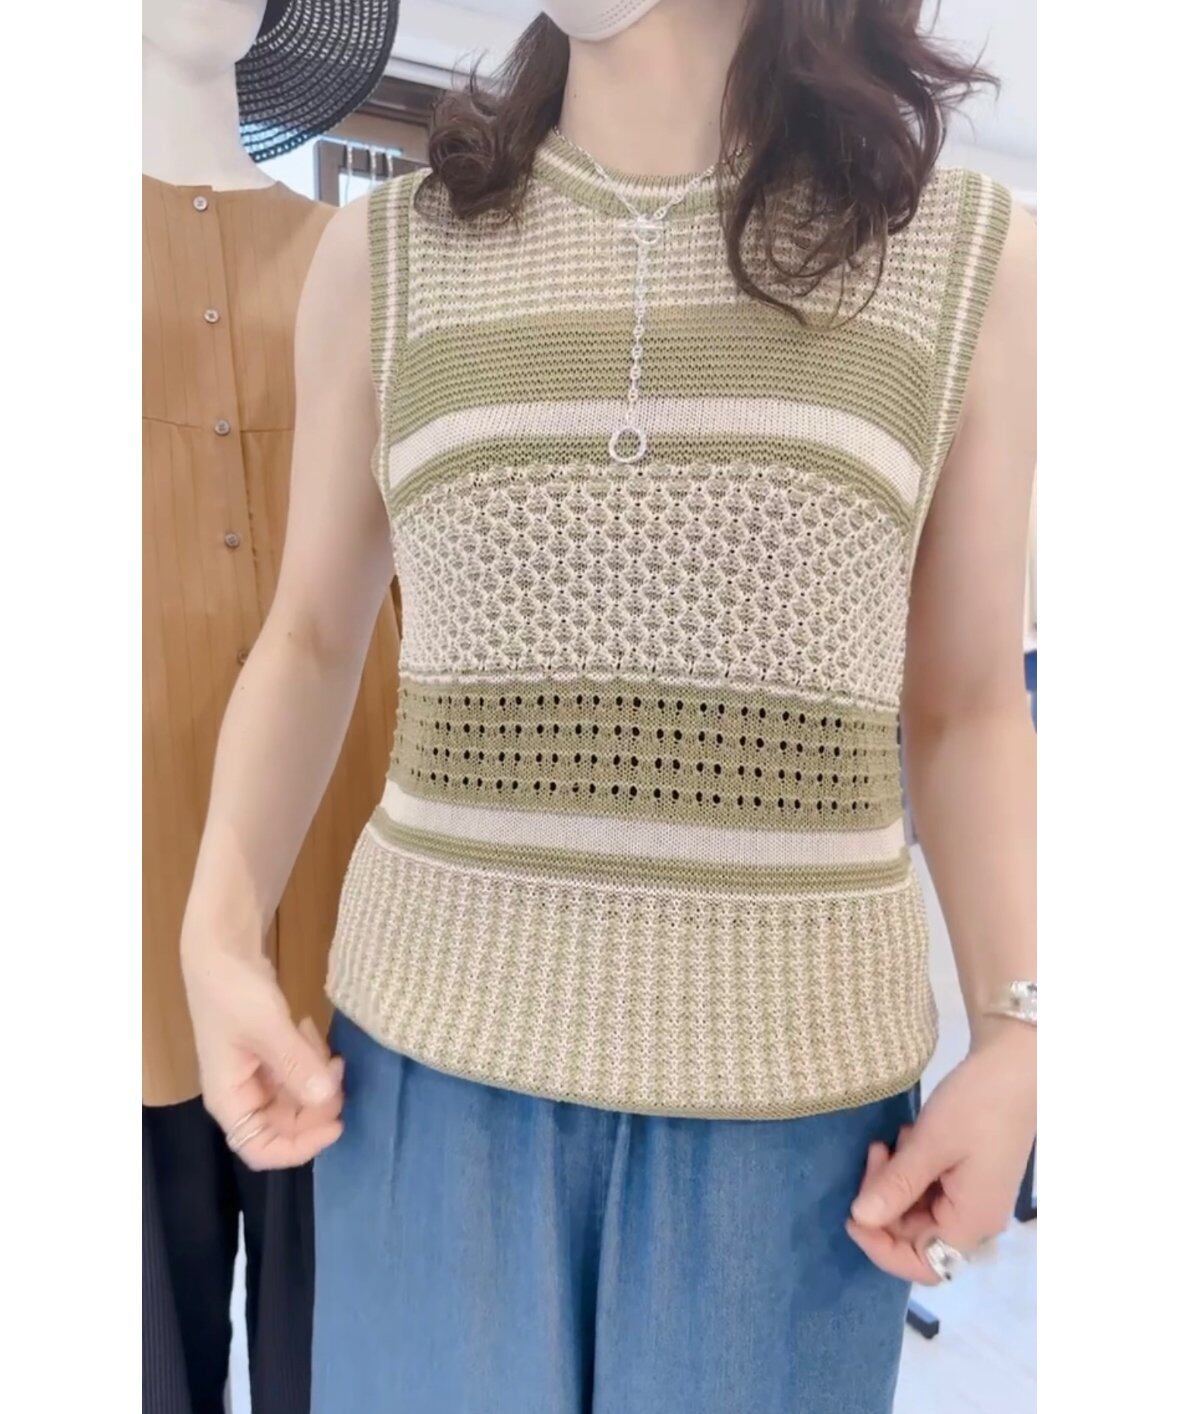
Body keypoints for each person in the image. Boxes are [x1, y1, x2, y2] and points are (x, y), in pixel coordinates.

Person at [180, 2, 1037, 1410]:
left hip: (793, 1126)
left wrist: (1021, 1030)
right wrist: (217, 930)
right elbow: (314, 634)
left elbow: (968, 706)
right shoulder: (383, 258)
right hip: (425, 1088)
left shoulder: (963, 258)